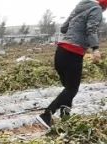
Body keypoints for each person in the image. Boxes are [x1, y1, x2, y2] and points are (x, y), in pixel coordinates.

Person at [39, 0, 107, 128]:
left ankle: (65, 117)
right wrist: (95, 48)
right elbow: (91, 28)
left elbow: (64, 28)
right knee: (72, 89)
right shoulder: (96, 9)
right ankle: (46, 114)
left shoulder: (79, 7)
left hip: (60, 52)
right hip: (73, 53)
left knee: (68, 89)